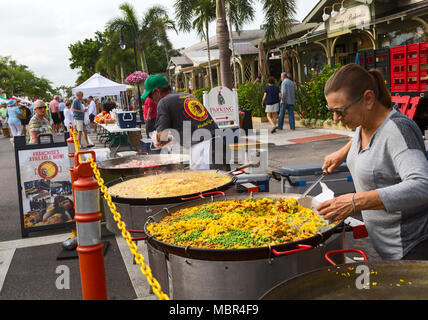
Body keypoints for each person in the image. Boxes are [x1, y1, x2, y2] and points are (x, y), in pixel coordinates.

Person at [316, 63, 428, 260]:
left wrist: (355, 201)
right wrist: (342, 153)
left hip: (413, 247)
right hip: (386, 246)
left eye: (341, 111)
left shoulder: (399, 130)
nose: (335, 118)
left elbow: (422, 185)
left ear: (368, 99)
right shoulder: (363, 123)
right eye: (331, 110)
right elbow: (367, 139)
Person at [143, 74, 229, 171]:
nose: (151, 100)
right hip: (219, 142)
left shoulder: (163, 102)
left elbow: (162, 135)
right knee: (226, 180)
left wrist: (157, 140)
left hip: (202, 149)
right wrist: (171, 138)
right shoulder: (188, 96)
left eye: (150, 96)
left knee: (207, 183)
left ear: (157, 91)